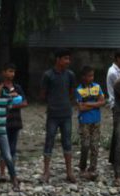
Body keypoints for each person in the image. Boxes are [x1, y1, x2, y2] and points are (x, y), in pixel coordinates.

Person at [40, 48, 77, 184]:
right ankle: (46, 171)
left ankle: (69, 172)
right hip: (53, 114)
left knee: (67, 142)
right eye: (65, 58)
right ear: (58, 59)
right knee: (49, 141)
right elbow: (43, 94)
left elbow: (71, 91)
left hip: (66, 113)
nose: (68, 61)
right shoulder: (48, 75)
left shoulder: (70, 75)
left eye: (68, 58)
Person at [0, 62, 27, 182]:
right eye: (9, 71)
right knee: (3, 148)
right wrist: (11, 99)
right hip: (2, 122)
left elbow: (25, 103)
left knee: (13, 148)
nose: (12, 74)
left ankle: (12, 173)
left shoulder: (18, 87)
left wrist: (12, 105)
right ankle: (2, 173)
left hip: (15, 122)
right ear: (3, 72)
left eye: (13, 72)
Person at [76, 65, 105, 180]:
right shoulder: (79, 90)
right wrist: (95, 104)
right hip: (84, 121)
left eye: (92, 75)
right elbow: (81, 108)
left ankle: (92, 168)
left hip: (96, 120)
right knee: (85, 145)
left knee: (94, 145)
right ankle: (82, 167)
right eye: (89, 76)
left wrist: (88, 104)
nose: (91, 78)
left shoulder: (97, 87)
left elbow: (102, 102)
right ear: (83, 77)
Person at [106, 50, 120, 166]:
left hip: (118, 104)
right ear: (118, 59)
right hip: (117, 104)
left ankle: (113, 159)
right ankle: (116, 160)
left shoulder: (118, 71)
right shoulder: (113, 73)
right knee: (119, 134)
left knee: (117, 133)